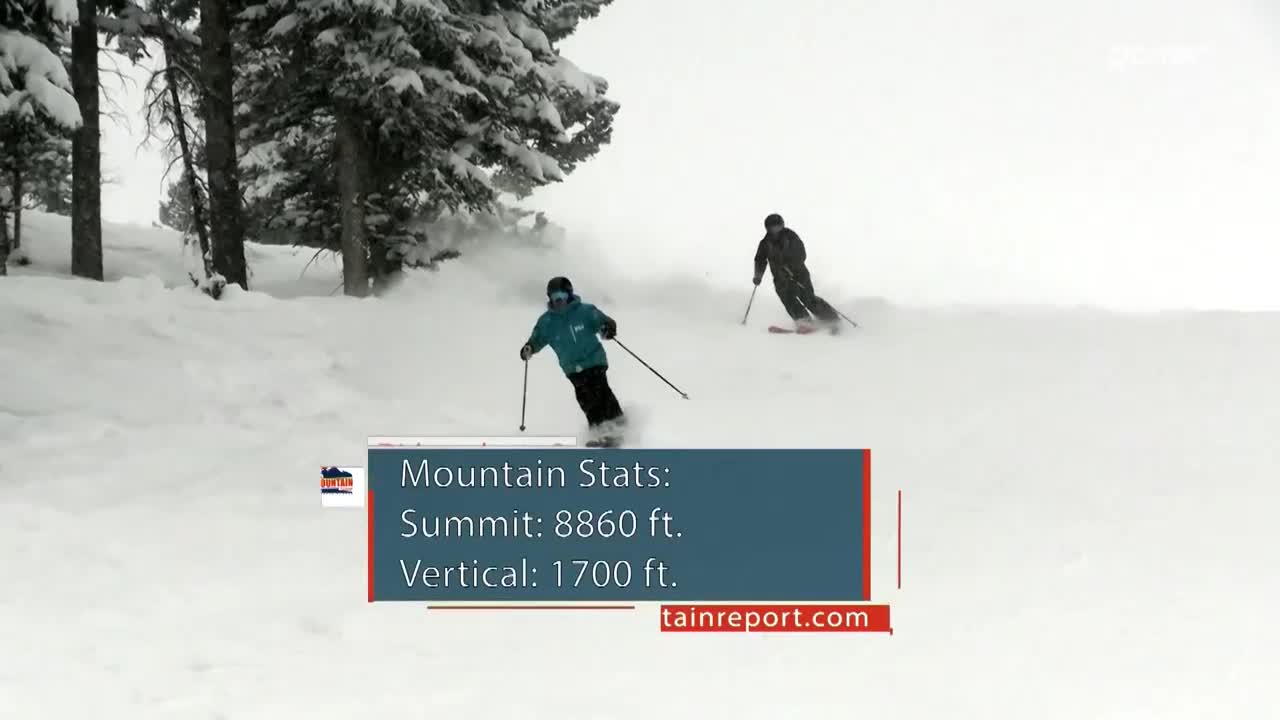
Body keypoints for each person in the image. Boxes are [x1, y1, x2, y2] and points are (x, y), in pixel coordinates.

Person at [520, 276, 626, 438]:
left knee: (600, 390)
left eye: (561, 296)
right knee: (585, 398)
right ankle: (598, 431)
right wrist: (530, 348)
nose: (558, 300)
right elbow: (537, 339)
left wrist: (607, 328)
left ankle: (618, 425)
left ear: (569, 294)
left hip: (594, 360)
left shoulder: (585, 311)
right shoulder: (547, 322)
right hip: (571, 367)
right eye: (554, 297)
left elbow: (603, 321)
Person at [752, 213, 841, 332]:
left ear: (782, 225)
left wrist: (790, 267)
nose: (775, 230)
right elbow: (760, 260)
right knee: (788, 300)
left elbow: (801, 254)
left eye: (777, 226)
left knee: (807, 297)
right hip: (780, 279)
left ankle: (831, 318)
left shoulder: (790, 237)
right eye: (772, 227)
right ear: (767, 228)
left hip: (798, 275)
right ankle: (804, 321)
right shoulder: (765, 243)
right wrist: (758, 275)